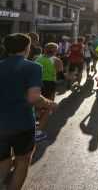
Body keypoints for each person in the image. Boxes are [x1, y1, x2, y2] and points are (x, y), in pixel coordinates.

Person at [0, 34, 57, 190]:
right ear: (27, 48)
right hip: (22, 123)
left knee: (3, 161)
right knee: (23, 160)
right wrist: (49, 104)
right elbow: (34, 98)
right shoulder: (33, 67)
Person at [35, 42, 64, 141]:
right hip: (49, 84)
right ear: (55, 50)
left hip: (36, 84)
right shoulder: (56, 60)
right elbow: (61, 76)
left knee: (37, 105)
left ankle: (35, 122)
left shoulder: (37, 58)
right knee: (48, 107)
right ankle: (38, 132)